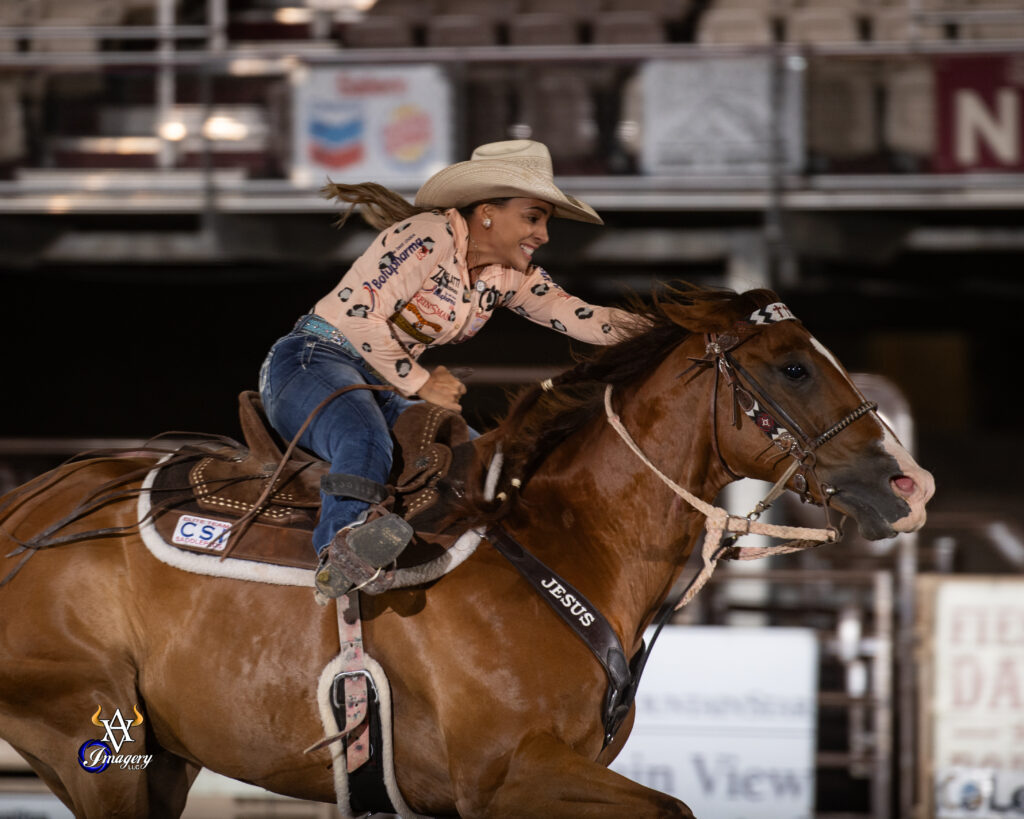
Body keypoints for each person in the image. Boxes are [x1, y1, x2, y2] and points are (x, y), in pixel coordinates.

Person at [258, 139, 635, 598]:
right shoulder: (427, 235)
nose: (544, 235)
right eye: (533, 217)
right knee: (365, 436)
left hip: (378, 385)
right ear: (488, 213)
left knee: (479, 465)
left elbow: (580, 314)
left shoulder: (508, 274)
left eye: (545, 222)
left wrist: (667, 328)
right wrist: (421, 382)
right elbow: (359, 314)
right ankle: (341, 553)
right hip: (312, 361)